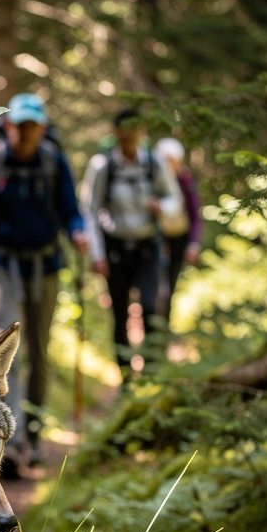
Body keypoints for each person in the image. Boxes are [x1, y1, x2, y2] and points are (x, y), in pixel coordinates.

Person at [0, 92, 90, 474]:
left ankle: (33, 434)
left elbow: (70, 210)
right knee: (5, 350)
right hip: (0, 264)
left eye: (33, 126)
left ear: (43, 128)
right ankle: (12, 442)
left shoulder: (53, 162)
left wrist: (78, 232)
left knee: (39, 351)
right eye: (21, 125)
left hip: (45, 266)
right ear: (10, 126)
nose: (27, 133)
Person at [80, 108, 183, 371]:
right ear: (116, 133)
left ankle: (151, 372)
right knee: (119, 313)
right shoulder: (102, 166)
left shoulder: (154, 163)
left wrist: (162, 207)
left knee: (150, 307)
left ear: (142, 132)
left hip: (147, 247)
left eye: (135, 130)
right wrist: (97, 255)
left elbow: (175, 199)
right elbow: (90, 211)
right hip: (115, 249)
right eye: (125, 130)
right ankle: (125, 376)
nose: (130, 136)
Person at [153, 136, 202, 327]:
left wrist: (194, 243)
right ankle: (151, 324)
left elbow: (194, 214)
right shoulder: (153, 181)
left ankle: (164, 325)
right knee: (157, 283)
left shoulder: (185, 180)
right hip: (157, 237)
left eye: (171, 161)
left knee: (170, 283)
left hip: (179, 239)